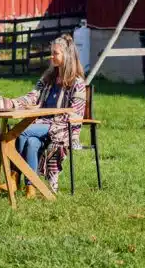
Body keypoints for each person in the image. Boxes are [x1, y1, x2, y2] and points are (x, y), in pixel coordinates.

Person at [5, 34, 86, 196]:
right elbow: (32, 95)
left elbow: (76, 113)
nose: (51, 56)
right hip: (41, 124)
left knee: (19, 132)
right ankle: (31, 187)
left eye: (55, 53)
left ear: (67, 55)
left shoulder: (77, 83)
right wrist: (12, 103)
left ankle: (14, 178)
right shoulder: (48, 78)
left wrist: (58, 118)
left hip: (61, 127)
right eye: (52, 52)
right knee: (32, 143)